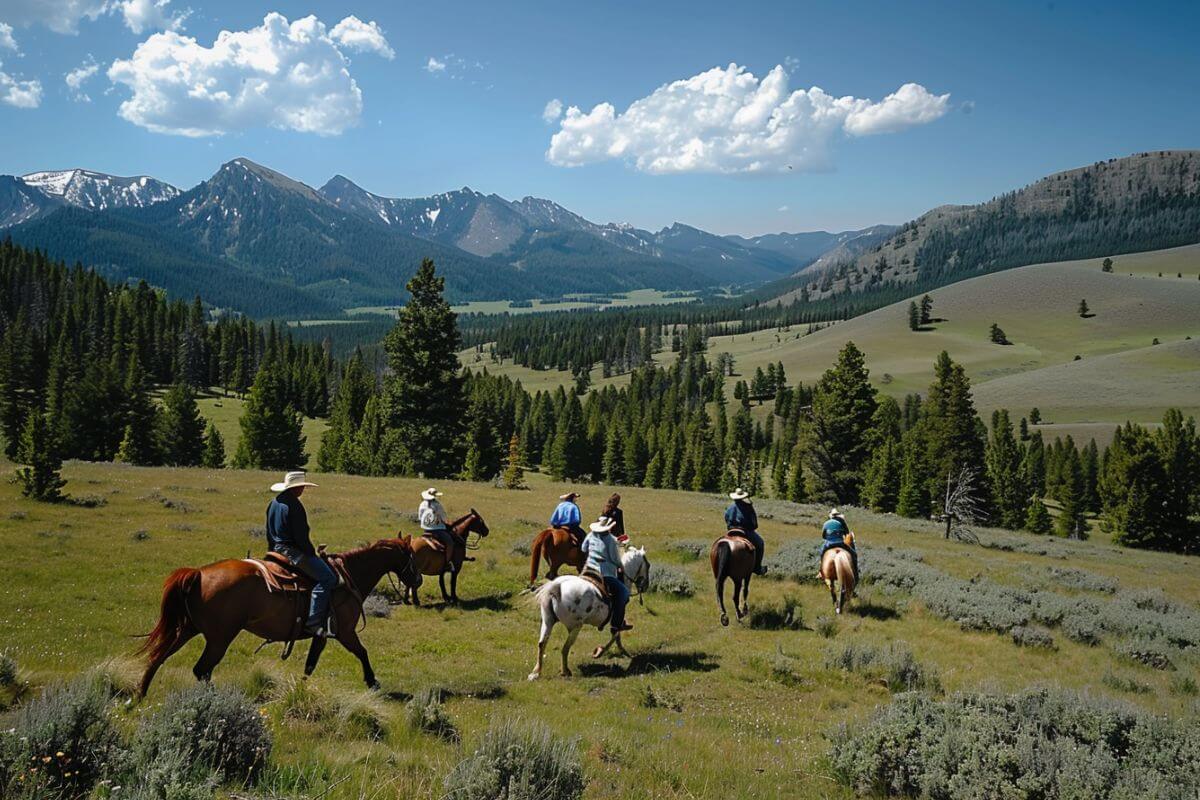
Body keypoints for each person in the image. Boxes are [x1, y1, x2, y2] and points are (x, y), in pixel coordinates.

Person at [266, 470, 335, 637]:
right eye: (301, 487)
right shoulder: (294, 505)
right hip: (292, 552)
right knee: (328, 578)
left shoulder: (274, 502)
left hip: (275, 549)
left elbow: (268, 531)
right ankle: (313, 622)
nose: (302, 490)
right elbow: (301, 538)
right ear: (296, 488)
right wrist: (313, 554)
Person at [581, 517, 633, 633]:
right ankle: (616, 624)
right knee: (623, 593)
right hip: (605, 574)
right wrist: (621, 566)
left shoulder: (590, 535)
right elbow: (615, 559)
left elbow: (583, 548)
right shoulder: (610, 540)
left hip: (588, 570)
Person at [419, 487, 467, 570]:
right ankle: (447, 563)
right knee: (450, 543)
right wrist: (446, 522)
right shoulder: (437, 505)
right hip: (437, 529)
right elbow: (443, 517)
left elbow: (420, 517)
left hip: (426, 529)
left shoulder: (422, 504)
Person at [724, 488, 767, 575]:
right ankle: (757, 568)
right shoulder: (748, 507)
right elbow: (754, 524)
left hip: (731, 531)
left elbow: (726, 518)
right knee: (760, 543)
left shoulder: (730, 507)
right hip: (745, 532)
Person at [820, 508, 858, 580]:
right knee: (853, 554)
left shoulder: (826, 523)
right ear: (837, 515)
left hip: (829, 543)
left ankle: (821, 572)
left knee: (821, 553)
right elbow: (846, 533)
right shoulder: (840, 523)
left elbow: (823, 536)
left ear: (830, 516)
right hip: (840, 543)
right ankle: (855, 573)